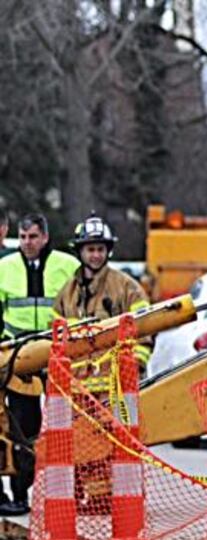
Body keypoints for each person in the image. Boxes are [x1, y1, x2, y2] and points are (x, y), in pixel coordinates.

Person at [0, 214, 80, 515]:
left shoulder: (67, 265)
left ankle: (72, 492)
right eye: (22, 237)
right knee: (23, 426)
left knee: (67, 424)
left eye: (33, 237)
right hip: (20, 357)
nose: (27, 243)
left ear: (45, 237)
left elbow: (78, 306)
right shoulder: (4, 267)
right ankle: (21, 493)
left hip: (57, 352)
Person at [55, 214, 151, 362]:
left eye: (101, 249)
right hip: (76, 380)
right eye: (91, 250)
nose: (96, 255)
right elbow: (56, 339)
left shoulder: (127, 287)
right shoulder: (67, 292)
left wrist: (134, 366)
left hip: (116, 380)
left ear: (108, 251)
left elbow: (144, 330)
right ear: (80, 252)